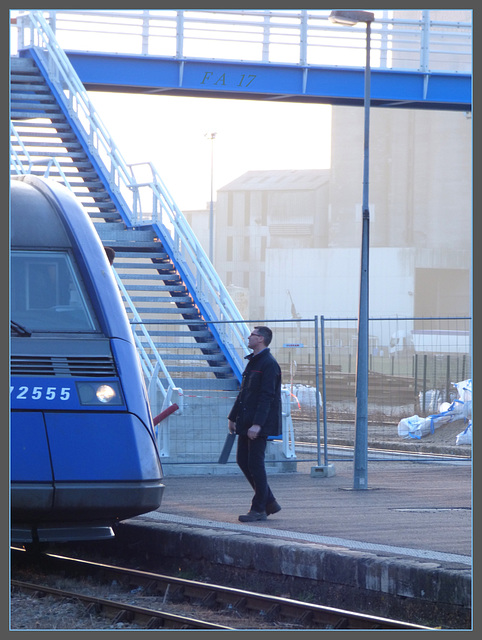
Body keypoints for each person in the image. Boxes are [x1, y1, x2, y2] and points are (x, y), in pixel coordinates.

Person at [228, 326, 282, 522]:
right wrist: (232, 417)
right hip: (246, 421)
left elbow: (267, 396)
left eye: (252, 334)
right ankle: (269, 501)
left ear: (260, 339)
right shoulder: (253, 362)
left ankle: (259, 508)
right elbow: (244, 393)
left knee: (255, 463)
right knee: (243, 461)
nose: (248, 337)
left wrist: (258, 425)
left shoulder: (268, 364)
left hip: (258, 424)